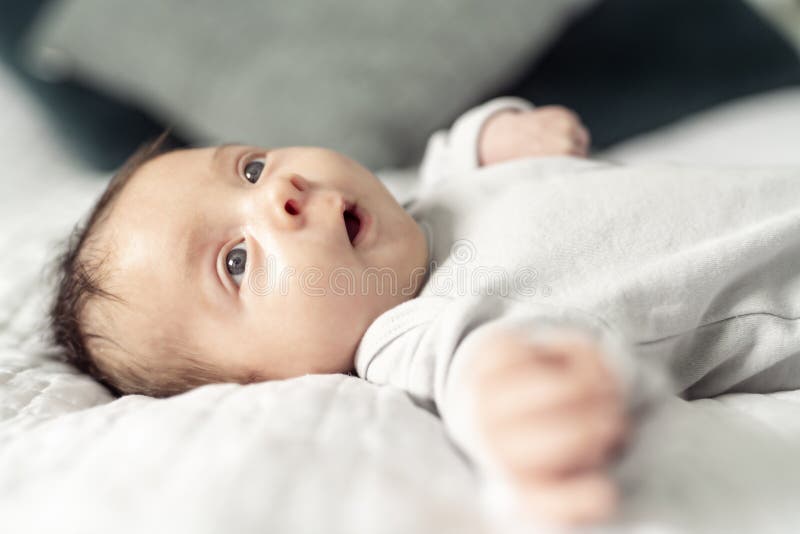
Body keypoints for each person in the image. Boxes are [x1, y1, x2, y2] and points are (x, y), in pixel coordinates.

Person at [50, 96, 800, 526]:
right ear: (261, 384)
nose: (278, 192)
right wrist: (519, 413)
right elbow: (484, 373)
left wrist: (496, 132)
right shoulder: (409, 333)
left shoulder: (422, 204)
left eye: (249, 167)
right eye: (235, 262)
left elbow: (455, 156)